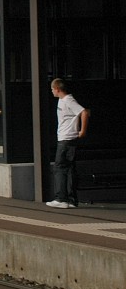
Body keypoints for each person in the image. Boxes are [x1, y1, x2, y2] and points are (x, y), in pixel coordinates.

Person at [46, 78, 89, 209]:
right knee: (69, 168)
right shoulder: (63, 100)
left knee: (59, 168)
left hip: (66, 139)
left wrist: (82, 130)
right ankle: (71, 199)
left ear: (58, 89)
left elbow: (84, 112)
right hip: (68, 139)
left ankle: (61, 198)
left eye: (52, 89)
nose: (52, 91)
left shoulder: (68, 100)